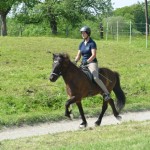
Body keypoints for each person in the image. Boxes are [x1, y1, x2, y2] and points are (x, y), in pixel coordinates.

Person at [75, 26, 110, 101]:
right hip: (83, 63)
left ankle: (106, 93)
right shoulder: (81, 44)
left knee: (95, 77)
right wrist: (75, 61)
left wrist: (87, 61)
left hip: (92, 63)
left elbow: (94, 55)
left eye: (84, 33)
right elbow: (78, 55)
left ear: (88, 33)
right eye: (82, 33)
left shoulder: (92, 43)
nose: (82, 34)